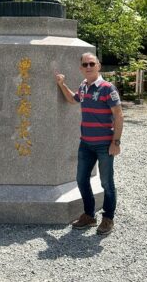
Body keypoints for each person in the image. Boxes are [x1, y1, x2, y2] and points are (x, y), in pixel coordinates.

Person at [55, 52, 124, 235]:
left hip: (104, 144)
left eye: (92, 64)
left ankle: (108, 218)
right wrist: (62, 84)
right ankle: (89, 215)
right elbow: (73, 99)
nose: (88, 67)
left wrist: (116, 142)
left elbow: (118, 115)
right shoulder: (84, 86)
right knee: (81, 179)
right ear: (81, 68)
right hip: (85, 143)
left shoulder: (108, 88)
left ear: (98, 66)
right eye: (85, 64)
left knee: (106, 183)